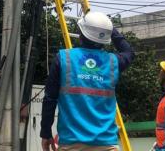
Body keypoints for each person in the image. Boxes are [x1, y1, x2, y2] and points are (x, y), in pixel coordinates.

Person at [40, 11, 135, 151]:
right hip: (107, 144)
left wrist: (46, 132)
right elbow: (129, 52)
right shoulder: (113, 62)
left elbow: (50, 98)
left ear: (81, 33)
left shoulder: (63, 58)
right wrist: (109, 29)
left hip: (71, 143)